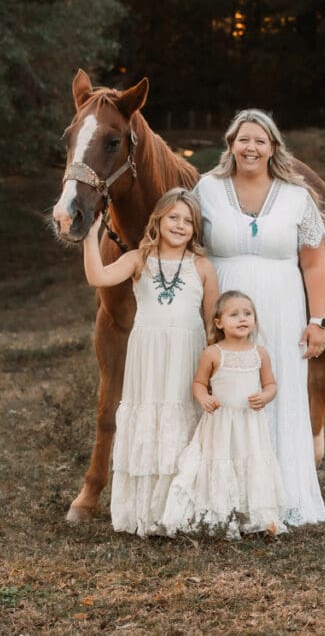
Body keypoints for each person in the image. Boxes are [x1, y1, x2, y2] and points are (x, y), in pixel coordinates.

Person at [192, 109, 325, 526]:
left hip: (284, 311)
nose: (250, 147)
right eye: (243, 139)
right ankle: (227, 499)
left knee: (276, 393)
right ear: (230, 144)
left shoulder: (296, 195)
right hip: (222, 309)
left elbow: (315, 265)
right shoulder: (207, 189)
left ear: (273, 148)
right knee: (230, 394)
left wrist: (318, 321)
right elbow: (183, 241)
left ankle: (282, 496)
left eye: (260, 140)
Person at [82, 187, 219, 537]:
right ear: (157, 218)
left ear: (195, 229)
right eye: (173, 217)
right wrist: (89, 236)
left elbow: (211, 322)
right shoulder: (138, 259)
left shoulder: (202, 266)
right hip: (149, 355)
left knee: (182, 421)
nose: (180, 225)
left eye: (188, 221)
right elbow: (97, 277)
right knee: (149, 418)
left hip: (185, 354)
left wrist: (215, 365)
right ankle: (145, 511)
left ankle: (180, 510)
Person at [162, 291, 288, 539]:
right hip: (220, 424)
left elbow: (271, 384)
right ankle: (218, 515)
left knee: (248, 463)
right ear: (219, 322)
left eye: (248, 314)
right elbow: (199, 383)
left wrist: (265, 396)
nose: (243, 319)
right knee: (220, 463)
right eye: (234, 314)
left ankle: (255, 517)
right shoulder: (213, 353)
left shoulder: (259, 353)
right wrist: (204, 397)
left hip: (249, 424)